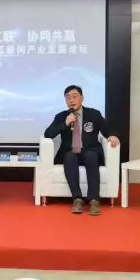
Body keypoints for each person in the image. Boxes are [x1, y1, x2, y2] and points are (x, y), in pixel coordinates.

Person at [44, 85, 119, 215]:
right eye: (68, 98)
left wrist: (112, 135)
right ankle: (77, 199)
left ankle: (94, 200)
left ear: (82, 98)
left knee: (91, 156)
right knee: (69, 157)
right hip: (70, 151)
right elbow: (48, 133)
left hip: (90, 150)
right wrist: (65, 123)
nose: (71, 100)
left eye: (74, 96)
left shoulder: (94, 114)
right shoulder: (61, 116)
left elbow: (106, 129)